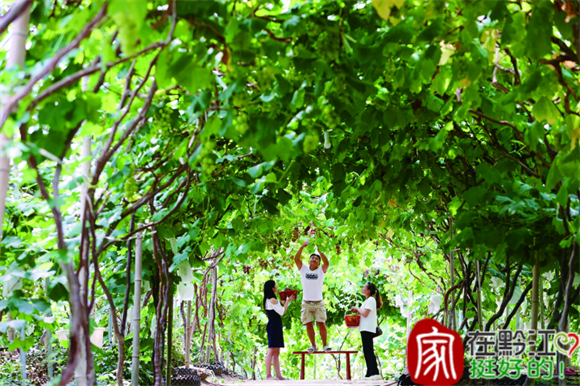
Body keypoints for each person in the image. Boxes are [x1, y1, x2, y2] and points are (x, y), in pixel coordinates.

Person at [294, 239, 331, 353]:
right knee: (308, 324)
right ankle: (313, 346)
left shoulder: (320, 270)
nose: (314, 259)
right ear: (309, 260)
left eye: (316, 258)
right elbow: (296, 259)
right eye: (312, 258)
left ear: (319, 263)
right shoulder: (303, 269)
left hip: (318, 302)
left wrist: (321, 252)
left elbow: (327, 263)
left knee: (321, 323)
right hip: (306, 303)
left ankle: (325, 345)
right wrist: (302, 247)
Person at [263, 280, 296, 380]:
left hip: (276, 325)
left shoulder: (271, 299)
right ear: (272, 288)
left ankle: (278, 375)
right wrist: (287, 302)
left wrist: (285, 302)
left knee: (276, 351)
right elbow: (282, 312)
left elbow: (280, 309)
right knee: (272, 349)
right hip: (274, 325)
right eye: (275, 285)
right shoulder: (272, 299)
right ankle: (268, 375)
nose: (277, 286)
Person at [351, 282, 383, 380]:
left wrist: (357, 309)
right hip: (365, 328)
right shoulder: (368, 300)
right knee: (367, 350)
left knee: (368, 350)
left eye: (364, 287)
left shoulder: (371, 300)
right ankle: (370, 374)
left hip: (367, 328)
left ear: (368, 291)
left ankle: (375, 372)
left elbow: (365, 314)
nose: (362, 288)